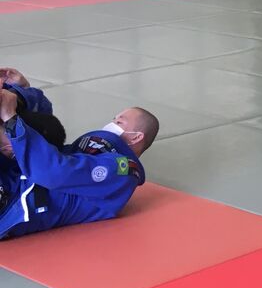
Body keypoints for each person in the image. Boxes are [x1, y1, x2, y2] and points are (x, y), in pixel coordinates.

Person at [0, 86, 159, 240]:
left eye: (119, 122)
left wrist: (11, 119)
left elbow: (54, 172)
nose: (112, 123)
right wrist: (17, 92)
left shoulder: (122, 172)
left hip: (11, 204)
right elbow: (43, 116)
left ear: (136, 137)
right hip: (11, 183)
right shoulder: (81, 152)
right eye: (114, 119)